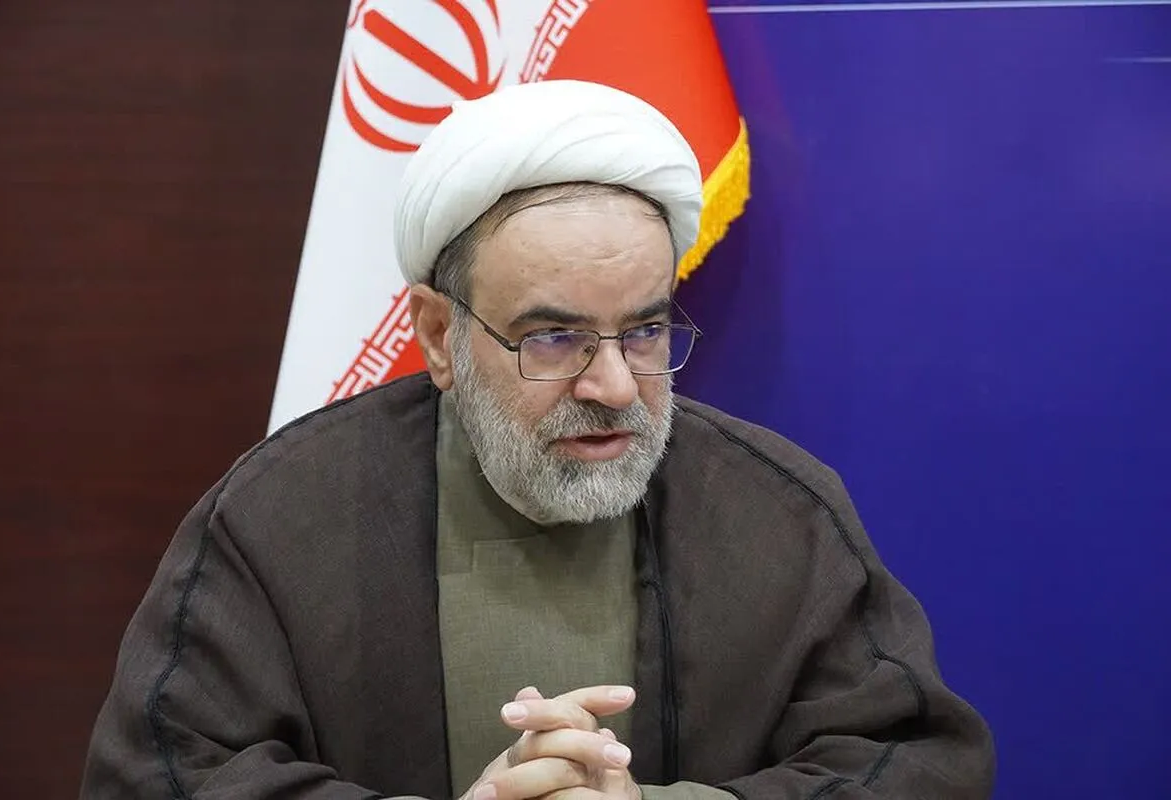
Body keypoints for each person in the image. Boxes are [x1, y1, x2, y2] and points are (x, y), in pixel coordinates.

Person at [81, 80, 995, 799]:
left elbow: (919, 764)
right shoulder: (284, 513)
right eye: (554, 338)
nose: (613, 386)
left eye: (644, 332)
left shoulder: (777, 510)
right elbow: (157, 775)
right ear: (439, 335)